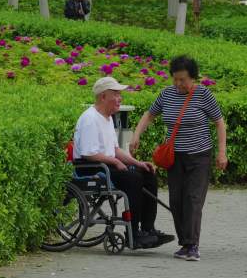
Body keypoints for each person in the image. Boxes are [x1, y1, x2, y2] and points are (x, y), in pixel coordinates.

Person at [130, 56, 228, 261]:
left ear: (193, 78)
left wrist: (222, 152)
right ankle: (184, 243)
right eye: (175, 79)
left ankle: (192, 245)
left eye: (182, 80)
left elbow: (219, 122)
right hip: (175, 157)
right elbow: (149, 115)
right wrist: (136, 135)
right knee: (176, 201)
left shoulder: (203, 95)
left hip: (199, 156)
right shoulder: (167, 94)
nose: (178, 84)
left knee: (193, 199)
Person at [73, 77, 175, 249]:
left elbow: (116, 150)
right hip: (90, 168)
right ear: (103, 96)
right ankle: (133, 233)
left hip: (106, 165)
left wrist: (138, 162)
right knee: (133, 178)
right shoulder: (90, 118)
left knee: (147, 173)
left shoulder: (107, 118)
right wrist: (115, 162)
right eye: (116, 94)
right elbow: (89, 154)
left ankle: (148, 228)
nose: (120, 98)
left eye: (120, 94)